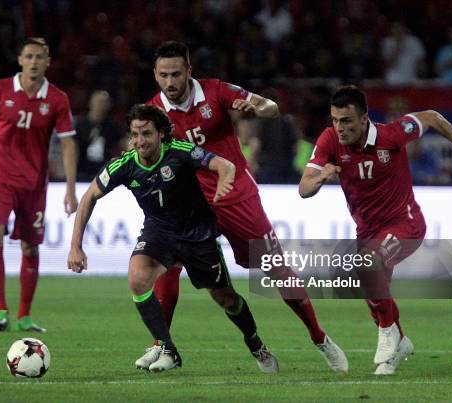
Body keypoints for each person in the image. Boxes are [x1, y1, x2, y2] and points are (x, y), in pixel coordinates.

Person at [142, 40, 347, 373]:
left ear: (189, 71)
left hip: (235, 194)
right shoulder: (153, 111)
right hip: (191, 204)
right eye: (163, 75)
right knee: (170, 264)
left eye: (176, 74)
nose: (170, 82)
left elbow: (269, 106)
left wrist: (259, 108)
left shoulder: (216, 91)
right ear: (155, 74)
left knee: (277, 269)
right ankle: (162, 346)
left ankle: (319, 337)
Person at [68, 104, 279, 373]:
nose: (140, 141)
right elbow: (88, 198)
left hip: (197, 236)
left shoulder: (180, 152)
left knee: (227, 299)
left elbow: (223, 164)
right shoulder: (125, 165)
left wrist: (225, 180)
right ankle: (168, 349)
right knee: (137, 278)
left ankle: (255, 344)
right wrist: (76, 246)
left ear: (160, 135)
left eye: (146, 134)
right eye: (135, 134)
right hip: (159, 233)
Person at [299, 85, 452, 375]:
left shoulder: (392, 134)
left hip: (406, 224)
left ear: (364, 119)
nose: (339, 128)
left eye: (347, 121)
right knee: (373, 292)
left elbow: (432, 116)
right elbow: (304, 188)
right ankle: (398, 343)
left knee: (367, 267)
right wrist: (321, 178)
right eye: (335, 120)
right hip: (368, 231)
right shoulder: (329, 140)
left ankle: (389, 334)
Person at [0, 37, 78, 333]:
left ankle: (25, 315)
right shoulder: (0, 90)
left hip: (34, 183)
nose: (34, 62)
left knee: (30, 246)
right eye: (29, 56)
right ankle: (0, 310)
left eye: (40, 57)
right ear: (20, 60)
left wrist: (71, 189)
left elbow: (67, 144)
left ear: (48, 62)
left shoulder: (58, 99)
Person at [74, 90, 125, 181]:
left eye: (104, 102)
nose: (101, 105)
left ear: (109, 105)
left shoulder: (114, 126)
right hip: (83, 172)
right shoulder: (80, 125)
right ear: (90, 103)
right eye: (98, 102)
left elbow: (123, 144)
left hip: (106, 172)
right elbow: (73, 148)